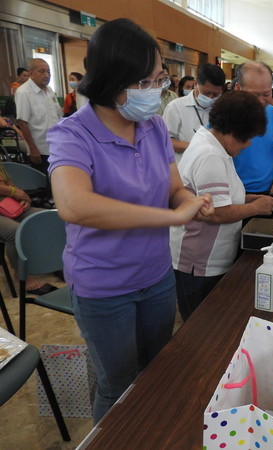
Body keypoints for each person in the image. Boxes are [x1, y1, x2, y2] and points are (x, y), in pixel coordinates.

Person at [47, 18, 214, 424]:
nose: (155, 91)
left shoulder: (153, 126)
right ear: (110, 79)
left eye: (159, 79)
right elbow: (74, 205)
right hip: (104, 287)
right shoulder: (72, 134)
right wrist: (171, 215)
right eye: (144, 83)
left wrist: (190, 200)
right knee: (117, 383)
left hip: (155, 277)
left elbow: (173, 186)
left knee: (157, 371)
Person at [171, 91, 273, 320]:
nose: (248, 145)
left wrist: (252, 198)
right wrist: (256, 208)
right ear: (232, 131)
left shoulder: (212, 145)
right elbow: (217, 213)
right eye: (246, 138)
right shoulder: (210, 155)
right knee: (201, 325)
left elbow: (223, 198)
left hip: (210, 259)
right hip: (200, 263)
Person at [233, 62, 273, 199]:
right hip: (233, 195)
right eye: (254, 95)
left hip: (268, 193)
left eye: (266, 94)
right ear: (237, 88)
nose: (261, 101)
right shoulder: (223, 116)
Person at [0, 163, 54, 294]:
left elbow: (8, 182)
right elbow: (10, 189)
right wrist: (14, 192)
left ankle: (53, 261)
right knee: (16, 231)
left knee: (50, 218)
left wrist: (23, 197)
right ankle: (20, 273)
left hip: (8, 205)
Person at [163, 63, 225, 163]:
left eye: (215, 94)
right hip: (184, 169)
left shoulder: (221, 109)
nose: (210, 97)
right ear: (196, 84)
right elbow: (167, 142)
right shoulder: (176, 107)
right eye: (206, 93)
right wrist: (199, 147)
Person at [15, 58, 62, 174]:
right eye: (42, 71)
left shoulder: (49, 90)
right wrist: (33, 148)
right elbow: (22, 122)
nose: (47, 75)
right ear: (31, 73)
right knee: (44, 185)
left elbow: (56, 115)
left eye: (48, 71)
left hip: (57, 146)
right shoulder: (23, 92)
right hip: (41, 149)